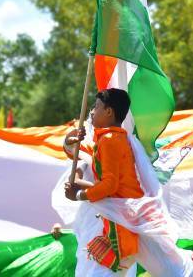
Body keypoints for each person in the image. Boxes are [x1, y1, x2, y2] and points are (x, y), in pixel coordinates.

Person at [63, 88, 144, 273]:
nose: (91, 111)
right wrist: (70, 141)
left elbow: (110, 185)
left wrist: (78, 195)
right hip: (113, 218)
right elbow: (79, 152)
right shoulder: (110, 138)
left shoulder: (109, 139)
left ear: (109, 112)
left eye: (97, 106)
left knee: (94, 271)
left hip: (112, 222)